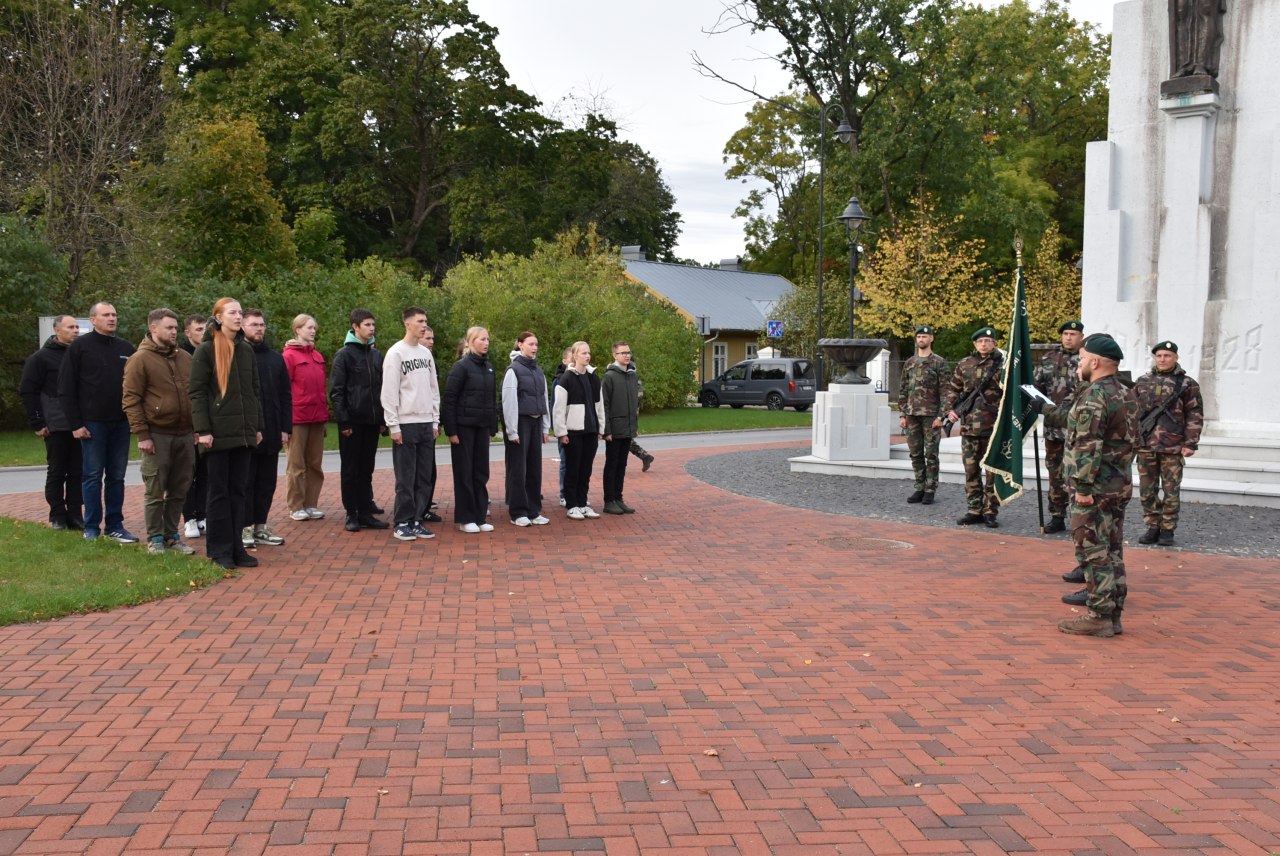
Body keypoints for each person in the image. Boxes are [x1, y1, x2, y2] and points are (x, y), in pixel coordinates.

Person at [1038, 334, 1139, 638]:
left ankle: (1099, 615)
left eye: (1082, 359)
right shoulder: (1126, 391)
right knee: (1113, 550)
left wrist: (1081, 488)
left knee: (1093, 551)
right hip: (1118, 483)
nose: (1078, 364)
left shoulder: (1095, 395)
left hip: (1094, 488)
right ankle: (1113, 614)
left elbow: (1086, 445)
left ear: (1095, 362)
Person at [188, 298, 263, 570]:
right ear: (218, 317)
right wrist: (203, 430)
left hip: (243, 434)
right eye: (232, 312)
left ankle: (236, 547)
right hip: (217, 435)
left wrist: (257, 427)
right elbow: (196, 393)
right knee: (218, 493)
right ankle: (219, 550)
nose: (238, 316)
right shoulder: (206, 350)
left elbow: (254, 393)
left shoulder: (245, 350)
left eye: (240, 312)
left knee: (238, 492)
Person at [58, 302, 138, 543]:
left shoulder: (126, 348)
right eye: (106, 315)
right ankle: (91, 526)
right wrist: (75, 424)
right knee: (92, 476)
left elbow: (136, 386)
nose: (111, 318)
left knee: (117, 476)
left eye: (114, 314)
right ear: (93, 320)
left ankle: (115, 525)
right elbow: (65, 388)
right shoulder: (79, 347)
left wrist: (135, 419)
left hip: (121, 423)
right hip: (92, 423)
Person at [121, 308, 197, 555]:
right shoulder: (140, 359)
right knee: (155, 490)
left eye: (176, 328)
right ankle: (155, 539)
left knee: (179, 489)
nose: (174, 332)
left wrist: (198, 428)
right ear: (154, 328)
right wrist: (142, 434)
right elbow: (131, 399)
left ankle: (172, 536)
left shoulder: (185, 357)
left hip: (185, 434)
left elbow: (196, 394)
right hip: (157, 434)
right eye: (169, 328)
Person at [1134, 340, 1204, 547]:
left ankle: (1167, 529)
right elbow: (1132, 413)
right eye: (1159, 356)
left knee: (1171, 490)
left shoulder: (1187, 384)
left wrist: (1191, 442)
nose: (1162, 359)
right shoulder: (1142, 381)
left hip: (1172, 446)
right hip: (1146, 445)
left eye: (1167, 355)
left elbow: (1195, 414)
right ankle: (1152, 526)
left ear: (1176, 358)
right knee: (1147, 490)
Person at [381, 306, 441, 541]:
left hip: (426, 422)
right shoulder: (396, 353)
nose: (424, 325)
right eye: (420, 321)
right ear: (407, 324)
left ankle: (417, 519)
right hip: (405, 423)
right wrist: (393, 424)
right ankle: (402, 522)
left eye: (425, 320)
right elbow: (389, 392)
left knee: (424, 476)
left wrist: (435, 419)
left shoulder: (426, 354)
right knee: (406, 477)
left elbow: (434, 388)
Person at [21, 314, 83, 530]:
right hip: (56, 424)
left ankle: (75, 514)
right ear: (58, 330)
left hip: (80, 422)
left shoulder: (79, 355)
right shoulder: (40, 358)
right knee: (57, 470)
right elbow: (28, 391)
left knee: (78, 471)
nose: (76, 330)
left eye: (77, 327)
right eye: (71, 327)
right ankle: (57, 515)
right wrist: (37, 422)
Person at [330, 308, 389, 532]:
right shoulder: (344, 355)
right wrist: (343, 421)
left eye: (373, 324)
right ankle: (351, 513)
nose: (371, 328)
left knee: (367, 468)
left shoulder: (376, 355)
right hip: (353, 423)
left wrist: (382, 418)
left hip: (372, 421)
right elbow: (337, 391)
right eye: (367, 325)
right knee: (351, 469)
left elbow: (381, 388)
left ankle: (366, 511)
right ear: (355, 326)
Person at [944, 326, 1004, 528]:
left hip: (994, 427)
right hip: (969, 427)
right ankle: (974, 509)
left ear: (994, 343)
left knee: (992, 472)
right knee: (971, 470)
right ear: (975, 344)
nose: (984, 344)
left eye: (988, 341)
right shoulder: (965, 364)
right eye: (980, 341)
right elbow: (954, 388)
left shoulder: (1003, 365)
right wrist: (950, 410)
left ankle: (990, 511)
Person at [241, 309, 291, 549]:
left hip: (272, 430)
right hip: (248, 431)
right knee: (246, 482)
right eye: (253, 325)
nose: (259, 329)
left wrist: (285, 427)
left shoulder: (275, 358)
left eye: (261, 324)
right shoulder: (238, 356)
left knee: (266, 483)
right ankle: (244, 528)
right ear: (242, 327)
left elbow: (284, 395)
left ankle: (261, 525)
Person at [442, 326, 499, 533]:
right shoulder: (461, 367)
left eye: (487, 339)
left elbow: (492, 400)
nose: (486, 343)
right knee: (464, 473)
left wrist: (492, 427)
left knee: (481, 473)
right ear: (471, 341)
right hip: (464, 428)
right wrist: (451, 430)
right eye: (482, 339)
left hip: (482, 428)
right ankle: (466, 518)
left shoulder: (489, 368)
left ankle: (479, 515)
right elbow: (449, 399)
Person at [1033, 320, 1084, 534]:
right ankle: (1057, 515)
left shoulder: (1086, 360)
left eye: (1073, 334)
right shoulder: (1049, 359)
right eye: (1065, 334)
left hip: (1078, 429)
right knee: (1054, 473)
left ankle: (1079, 516)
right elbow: (1037, 388)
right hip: (1053, 428)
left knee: (1076, 473)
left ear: (1081, 336)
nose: (1068, 337)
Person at [501, 331, 551, 527]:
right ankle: (518, 511)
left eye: (536, 344)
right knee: (518, 469)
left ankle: (533, 510)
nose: (534, 347)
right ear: (520, 345)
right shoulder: (513, 371)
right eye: (530, 344)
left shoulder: (538, 371)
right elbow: (509, 401)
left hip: (536, 423)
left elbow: (545, 399)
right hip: (520, 423)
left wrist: (545, 428)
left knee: (534, 469)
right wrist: (512, 430)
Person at [282, 314, 328, 522]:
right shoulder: (289, 356)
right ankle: (296, 505)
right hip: (297, 418)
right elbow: (283, 390)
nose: (313, 331)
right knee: (296, 465)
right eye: (309, 327)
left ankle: (311, 503)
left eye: (314, 328)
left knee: (315, 464)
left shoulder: (317, 356)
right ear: (297, 329)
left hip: (317, 417)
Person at [896, 324, 948, 505]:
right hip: (911, 414)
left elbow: (945, 392)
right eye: (918, 337)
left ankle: (930, 489)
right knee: (915, 453)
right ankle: (919, 486)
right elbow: (903, 390)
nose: (921, 340)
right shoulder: (910, 363)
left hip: (931, 415)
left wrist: (941, 416)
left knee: (931, 453)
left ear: (931, 339)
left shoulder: (939, 363)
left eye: (925, 337)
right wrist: (902, 414)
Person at [553, 341, 604, 520]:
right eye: (583, 353)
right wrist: (561, 432)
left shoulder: (593, 377)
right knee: (573, 469)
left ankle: (583, 503)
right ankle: (571, 504)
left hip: (590, 430)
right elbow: (558, 409)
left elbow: (599, 405)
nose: (587, 356)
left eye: (588, 353)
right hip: (573, 432)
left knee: (586, 469)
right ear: (574, 355)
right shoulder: (566, 378)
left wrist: (600, 428)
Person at [601, 340, 641, 515]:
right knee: (612, 464)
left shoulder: (631, 375)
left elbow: (634, 403)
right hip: (614, 429)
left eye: (628, 352)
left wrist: (634, 426)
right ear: (614, 355)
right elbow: (605, 405)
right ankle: (609, 500)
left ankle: (618, 498)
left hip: (627, 428)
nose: (627, 355)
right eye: (623, 353)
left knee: (622, 465)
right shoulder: (609, 377)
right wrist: (607, 430)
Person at [181, 315, 208, 539]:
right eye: (198, 329)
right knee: (188, 474)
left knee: (206, 472)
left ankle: (202, 514)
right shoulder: (181, 356)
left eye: (205, 329)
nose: (203, 332)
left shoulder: (211, 352)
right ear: (188, 333)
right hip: (187, 424)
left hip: (209, 423)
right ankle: (188, 517)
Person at [553, 347, 572, 506]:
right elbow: (556, 407)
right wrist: (560, 430)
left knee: (579, 463)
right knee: (566, 462)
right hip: (565, 428)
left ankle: (575, 493)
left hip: (580, 427)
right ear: (564, 360)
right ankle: (564, 494)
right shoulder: (559, 380)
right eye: (570, 358)